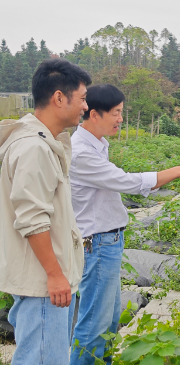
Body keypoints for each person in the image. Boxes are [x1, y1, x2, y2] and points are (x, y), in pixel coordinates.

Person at [68, 84, 180, 365]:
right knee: (94, 325)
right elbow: (127, 182)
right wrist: (178, 171)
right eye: (117, 113)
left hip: (106, 243)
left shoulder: (97, 145)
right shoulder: (81, 152)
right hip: (96, 245)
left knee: (107, 322)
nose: (121, 118)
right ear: (94, 114)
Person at [0, 59, 91, 365]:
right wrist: (54, 275)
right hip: (44, 285)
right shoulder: (33, 148)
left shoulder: (45, 142)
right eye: (81, 98)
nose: (85, 106)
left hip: (48, 282)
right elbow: (31, 219)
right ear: (58, 98)